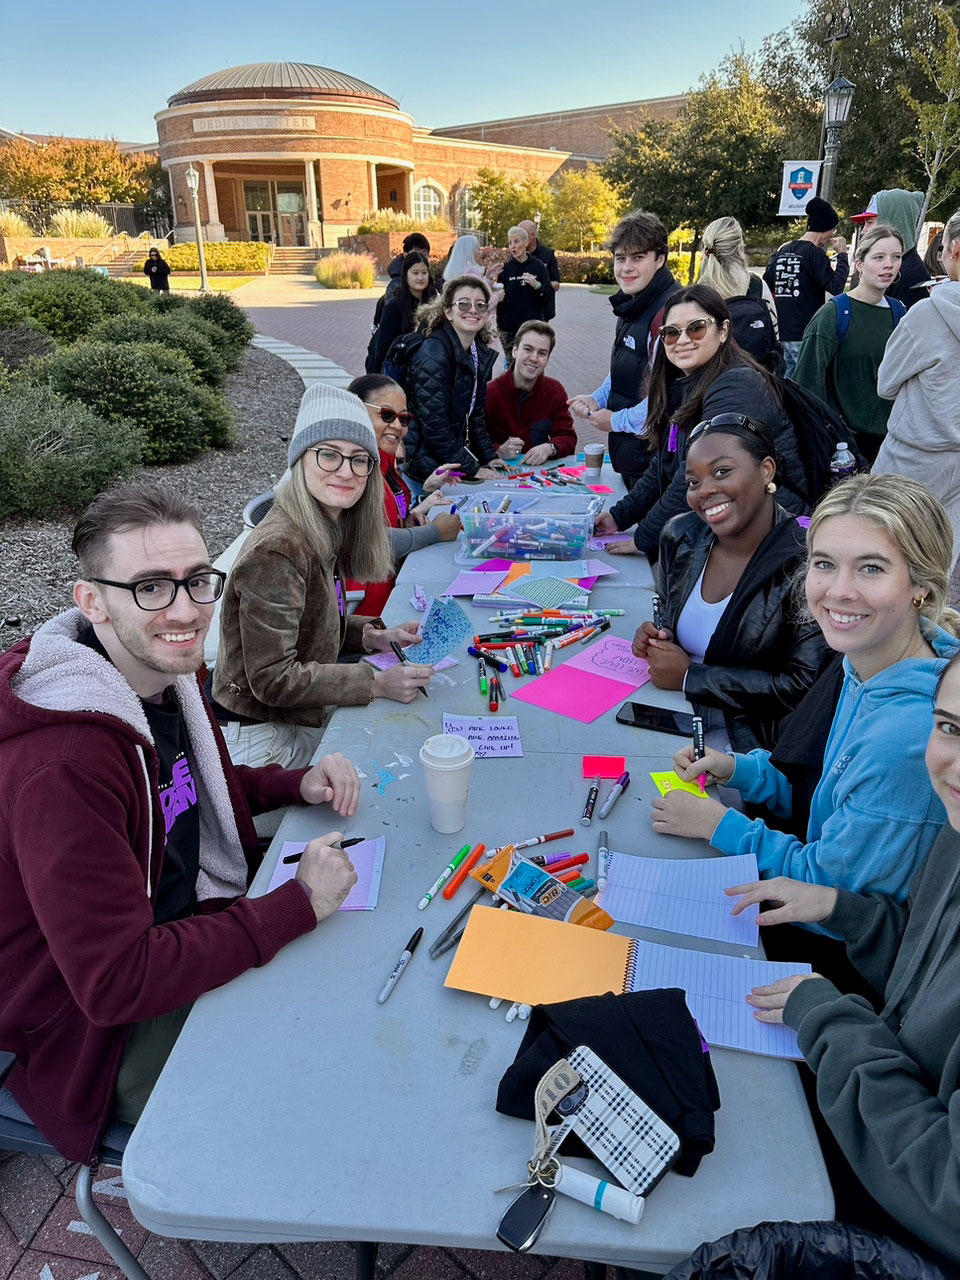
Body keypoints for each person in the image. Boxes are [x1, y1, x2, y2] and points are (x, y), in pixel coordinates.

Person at [0, 484, 363, 1160]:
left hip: (185, 923)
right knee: (322, 1058)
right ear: (92, 603)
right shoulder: (65, 766)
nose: (185, 610)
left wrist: (294, 782)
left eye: (197, 581)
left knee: (347, 973)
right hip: (88, 1036)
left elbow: (192, 788)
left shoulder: (161, 674)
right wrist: (295, 906)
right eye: (149, 587)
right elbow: (115, 982)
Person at [726, 647, 960, 1269]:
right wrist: (842, 908)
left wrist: (828, 1017)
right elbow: (925, 962)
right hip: (880, 1082)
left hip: (897, 1223)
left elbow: (947, 1194)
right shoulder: (955, 837)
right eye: (950, 727)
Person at [650, 473, 960, 907]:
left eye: (871, 568)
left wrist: (717, 824)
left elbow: (829, 892)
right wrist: (740, 769)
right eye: (825, 563)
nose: (839, 591)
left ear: (921, 587)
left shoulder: (908, 734)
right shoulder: (865, 662)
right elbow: (825, 791)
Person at [212, 384, 435, 768]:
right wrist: (375, 683)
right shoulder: (277, 549)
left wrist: (371, 636)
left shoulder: (321, 523)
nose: (346, 472)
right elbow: (271, 678)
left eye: (359, 459)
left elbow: (310, 621)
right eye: (329, 455)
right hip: (259, 739)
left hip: (291, 717)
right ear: (301, 459)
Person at [632, 415, 826, 752]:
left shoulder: (808, 562)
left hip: (750, 750)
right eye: (693, 482)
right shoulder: (680, 535)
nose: (704, 490)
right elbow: (667, 612)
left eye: (722, 472)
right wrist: (656, 637)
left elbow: (804, 684)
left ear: (766, 470)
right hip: (670, 714)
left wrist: (691, 677)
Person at [594, 285, 808, 562]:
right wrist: (618, 517)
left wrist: (644, 537)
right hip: (735, 528)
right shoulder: (686, 385)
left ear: (723, 331)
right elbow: (666, 462)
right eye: (671, 333)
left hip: (771, 536)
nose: (682, 340)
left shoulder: (736, 386)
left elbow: (695, 475)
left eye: (696, 328)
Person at [874, 209, 960, 571]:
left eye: (940, 250)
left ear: (955, 249)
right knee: (938, 561)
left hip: (911, 456)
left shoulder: (927, 313)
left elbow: (886, 383)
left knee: (879, 550)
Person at [568, 210, 680, 487]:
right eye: (620, 258)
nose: (626, 267)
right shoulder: (632, 304)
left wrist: (615, 421)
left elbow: (665, 402)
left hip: (657, 466)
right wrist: (598, 398)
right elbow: (627, 370)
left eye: (638, 257)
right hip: (633, 459)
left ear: (660, 260)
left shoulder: (670, 314)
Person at [345, 373, 462, 615]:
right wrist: (435, 532)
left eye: (404, 418)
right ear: (356, 411)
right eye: (386, 415)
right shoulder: (352, 471)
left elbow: (386, 519)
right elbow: (373, 539)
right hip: (371, 615)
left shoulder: (384, 463)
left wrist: (412, 515)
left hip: (394, 592)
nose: (398, 426)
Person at [794, 223, 905, 464]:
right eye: (878, 257)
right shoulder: (834, 314)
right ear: (859, 263)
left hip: (892, 445)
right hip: (845, 447)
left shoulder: (900, 313)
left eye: (896, 257)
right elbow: (806, 386)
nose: (889, 264)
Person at [403, 275, 504, 484]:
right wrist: (472, 468)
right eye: (464, 303)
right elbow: (435, 426)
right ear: (448, 312)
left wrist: (489, 456)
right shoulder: (433, 354)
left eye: (480, 305)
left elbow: (475, 416)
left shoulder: (476, 352)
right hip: (425, 468)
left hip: (447, 462)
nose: (473, 310)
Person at [763, 197, 849, 378]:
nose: (832, 236)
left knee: (783, 387)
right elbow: (835, 287)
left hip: (781, 334)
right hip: (805, 334)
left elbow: (767, 282)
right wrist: (842, 255)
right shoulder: (814, 254)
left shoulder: (782, 251)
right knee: (804, 388)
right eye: (832, 230)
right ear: (824, 229)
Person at [697, 216, 782, 373]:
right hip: (759, 379)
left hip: (715, 380)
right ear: (740, 247)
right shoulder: (758, 285)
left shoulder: (701, 291)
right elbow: (775, 333)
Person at [484, 320, 577, 465]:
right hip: (497, 475)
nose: (534, 358)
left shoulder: (554, 391)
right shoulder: (490, 393)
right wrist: (497, 450)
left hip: (539, 477)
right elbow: (471, 441)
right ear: (515, 351)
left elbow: (568, 436)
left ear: (547, 360)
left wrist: (550, 447)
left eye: (542, 353)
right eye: (528, 349)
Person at [368, 250, 437, 373]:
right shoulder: (394, 307)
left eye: (424, 272)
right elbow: (381, 352)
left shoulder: (434, 303)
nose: (420, 277)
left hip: (427, 371)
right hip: (401, 374)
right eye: (415, 273)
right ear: (405, 276)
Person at [494, 225, 551, 354]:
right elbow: (501, 302)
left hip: (533, 328)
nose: (513, 246)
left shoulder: (538, 266)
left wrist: (537, 286)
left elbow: (547, 297)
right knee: (513, 369)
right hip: (510, 330)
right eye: (510, 243)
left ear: (525, 243)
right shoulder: (506, 270)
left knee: (533, 366)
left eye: (516, 241)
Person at [518, 218, 560, 320]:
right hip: (521, 310)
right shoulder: (516, 255)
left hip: (542, 311)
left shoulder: (548, 254)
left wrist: (538, 285)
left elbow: (556, 284)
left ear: (532, 235)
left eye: (522, 235)